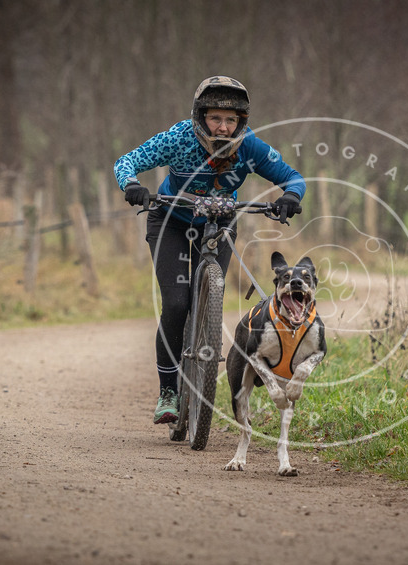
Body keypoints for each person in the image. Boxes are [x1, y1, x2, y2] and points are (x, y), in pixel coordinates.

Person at [114, 76, 306, 425]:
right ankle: (168, 391)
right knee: (176, 302)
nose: (223, 127)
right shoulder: (178, 138)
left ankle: (205, 349)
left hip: (220, 222)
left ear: (241, 123)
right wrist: (132, 185)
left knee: (210, 294)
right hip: (170, 219)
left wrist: (291, 197)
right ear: (200, 117)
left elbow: (294, 177)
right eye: (216, 118)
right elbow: (125, 161)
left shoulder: (249, 147)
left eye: (231, 120)